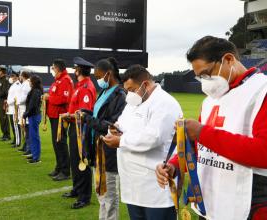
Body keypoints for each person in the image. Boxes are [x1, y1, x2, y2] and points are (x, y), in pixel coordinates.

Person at [156, 36, 267, 220]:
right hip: (209, 205)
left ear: (229, 60)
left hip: (247, 205)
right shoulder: (210, 101)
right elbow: (202, 147)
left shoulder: (262, 91)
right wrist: (174, 165)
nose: (204, 82)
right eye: (199, 77)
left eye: (207, 74)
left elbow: (264, 152)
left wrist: (201, 132)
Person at [102, 65, 182, 220]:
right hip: (133, 183)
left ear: (145, 84)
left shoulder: (164, 103)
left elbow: (154, 137)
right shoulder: (133, 102)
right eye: (127, 90)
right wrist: (115, 129)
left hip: (155, 184)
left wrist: (121, 141)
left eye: (131, 89)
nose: (129, 94)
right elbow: (121, 123)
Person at [81, 58, 126, 220]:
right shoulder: (105, 92)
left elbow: (111, 125)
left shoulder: (120, 95)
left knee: (109, 196)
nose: (97, 80)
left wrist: (87, 119)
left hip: (108, 152)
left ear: (108, 74)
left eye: (98, 76)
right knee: (101, 194)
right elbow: (98, 115)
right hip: (97, 150)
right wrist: (86, 113)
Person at [60, 57, 96, 209]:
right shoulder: (80, 86)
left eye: (75, 69)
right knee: (75, 160)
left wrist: (68, 115)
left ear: (79, 70)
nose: (74, 71)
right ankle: (77, 189)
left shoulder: (86, 87)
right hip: (75, 128)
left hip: (81, 129)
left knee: (82, 161)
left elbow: (83, 113)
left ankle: (84, 196)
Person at [44, 59, 74, 181]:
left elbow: (64, 99)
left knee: (60, 143)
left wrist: (49, 97)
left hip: (60, 116)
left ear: (57, 68)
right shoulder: (58, 80)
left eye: (53, 68)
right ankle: (59, 167)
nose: (52, 70)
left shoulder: (66, 80)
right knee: (56, 143)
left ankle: (65, 171)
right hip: (54, 116)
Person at [23, 75, 43, 164]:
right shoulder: (36, 91)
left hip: (34, 116)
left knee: (34, 137)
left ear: (33, 82)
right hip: (33, 115)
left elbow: (32, 105)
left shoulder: (35, 91)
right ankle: (34, 154)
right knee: (33, 136)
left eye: (30, 81)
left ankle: (36, 158)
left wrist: (25, 114)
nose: (29, 82)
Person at [0, 67, 11, 141]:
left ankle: (7, 135)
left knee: (4, 118)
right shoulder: (2, 80)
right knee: (2, 118)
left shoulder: (5, 81)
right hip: (0, 101)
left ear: (2, 72)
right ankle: (4, 133)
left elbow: (4, 92)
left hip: (3, 102)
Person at [17, 71, 32, 155]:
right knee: (24, 128)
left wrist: (18, 102)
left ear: (23, 76)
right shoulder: (25, 83)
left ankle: (28, 148)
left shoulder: (26, 84)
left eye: (20, 75)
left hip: (24, 108)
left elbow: (25, 97)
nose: (20, 77)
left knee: (27, 129)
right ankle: (25, 145)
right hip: (22, 108)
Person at [7, 72, 22, 148]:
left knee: (15, 125)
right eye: (11, 76)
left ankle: (17, 142)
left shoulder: (17, 85)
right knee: (13, 125)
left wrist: (8, 102)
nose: (11, 78)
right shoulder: (13, 85)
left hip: (14, 108)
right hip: (11, 108)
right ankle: (15, 139)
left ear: (16, 77)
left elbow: (16, 98)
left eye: (12, 76)